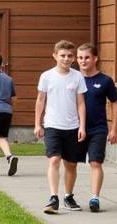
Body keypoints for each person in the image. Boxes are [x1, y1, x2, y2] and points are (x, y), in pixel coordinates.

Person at [34, 40, 87, 214]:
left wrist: (82, 126)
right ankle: (53, 197)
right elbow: (40, 100)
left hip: (72, 126)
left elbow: (81, 103)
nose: (66, 59)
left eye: (70, 56)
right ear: (55, 56)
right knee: (54, 160)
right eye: (62, 55)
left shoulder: (77, 76)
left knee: (71, 165)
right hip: (52, 125)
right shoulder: (47, 76)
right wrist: (37, 123)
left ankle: (68, 196)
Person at [76, 43, 117, 213]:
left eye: (86, 57)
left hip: (98, 129)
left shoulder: (105, 81)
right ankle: (68, 195)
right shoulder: (73, 78)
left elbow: (115, 102)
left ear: (95, 58)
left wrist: (114, 128)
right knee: (70, 163)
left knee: (95, 162)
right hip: (75, 127)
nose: (83, 61)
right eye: (80, 58)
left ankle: (94, 197)